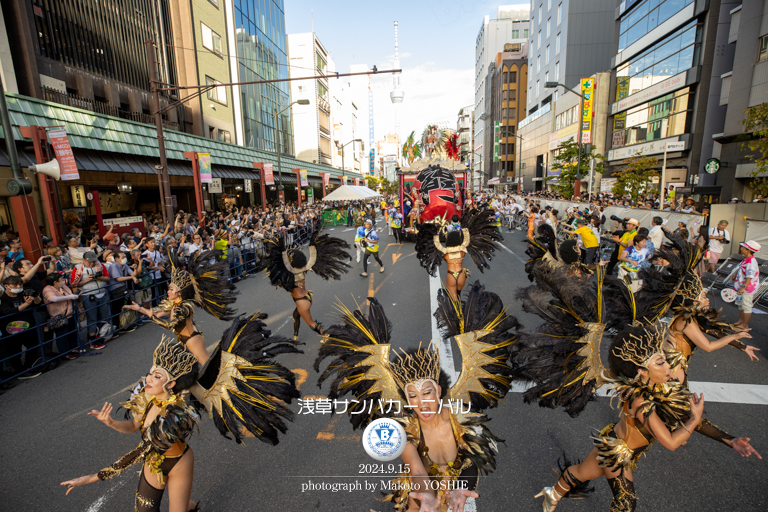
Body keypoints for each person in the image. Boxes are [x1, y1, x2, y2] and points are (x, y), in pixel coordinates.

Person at [315, 285, 519, 512]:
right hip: (420, 501)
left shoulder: (460, 418)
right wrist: (427, 497)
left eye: (427, 392)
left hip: (458, 499)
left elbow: (471, 460)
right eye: (412, 395)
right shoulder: (405, 429)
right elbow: (417, 469)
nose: (421, 403)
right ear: (407, 400)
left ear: (439, 391)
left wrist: (459, 489)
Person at [60, 338, 201, 511]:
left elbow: (139, 452)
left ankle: (190, 508)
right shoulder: (148, 399)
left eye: (157, 376)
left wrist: (92, 478)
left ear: (171, 384)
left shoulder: (174, 415)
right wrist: (111, 422)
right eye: (150, 373)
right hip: (154, 463)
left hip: (179, 463)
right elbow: (134, 425)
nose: (149, 378)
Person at [123, 250, 236, 364]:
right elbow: (157, 313)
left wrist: (151, 316)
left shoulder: (183, 308)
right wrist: (140, 309)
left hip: (193, 340)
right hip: (185, 341)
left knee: (210, 369)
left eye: (171, 289)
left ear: (179, 292)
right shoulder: (174, 305)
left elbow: (169, 325)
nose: (168, 291)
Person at [263, 233, 351, 340]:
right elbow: (308, 262)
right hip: (308, 296)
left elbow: (283, 274)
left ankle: (327, 335)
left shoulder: (290, 275)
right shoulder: (302, 270)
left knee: (311, 323)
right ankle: (295, 336)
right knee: (296, 315)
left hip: (302, 302)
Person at [414, 209, 503, 301]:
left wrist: (435, 234)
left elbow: (437, 246)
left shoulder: (445, 253)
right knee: (458, 296)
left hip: (451, 275)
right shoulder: (462, 252)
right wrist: (465, 231)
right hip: (461, 275)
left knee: (454, 301)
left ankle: (456, 313)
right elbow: (466, 242)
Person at [0, 275, 43, 378]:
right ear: (6, 286)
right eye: (15, 285)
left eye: (20, 284)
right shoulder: (3, 299)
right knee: (15, 351)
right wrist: (26, 304)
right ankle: (20, 372)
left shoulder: (22, 294)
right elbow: (10, 311)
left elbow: (37, 304)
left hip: (28, 325)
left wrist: (36, 297)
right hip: (11, 329)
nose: (18, 286)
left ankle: (28, 365)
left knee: (34, 344)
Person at [70, 251, 112, 349]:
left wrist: (99, 277)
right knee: (92, 317)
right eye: (90, 262)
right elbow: (73, 284)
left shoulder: (101, 265)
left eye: (94, 261)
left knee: (105, 315)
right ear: (84, 260)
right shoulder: (77, 269)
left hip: (102, 293)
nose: (92, 263)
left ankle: (105, 334)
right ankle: (92, 339)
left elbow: (107, 278)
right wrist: (87, 280)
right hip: (88, 295)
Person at [42, 273, 80, 361]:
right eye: (61, 280)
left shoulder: (64, 287)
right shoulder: (47, 289)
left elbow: (70, 294)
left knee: (72, 332)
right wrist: (70, 297)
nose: (63, 281)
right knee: (62, 336)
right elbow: (53, 299)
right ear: (55, 282)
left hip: (70, 313)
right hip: (59, 316)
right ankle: (64, 353)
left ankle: (73, 348)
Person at [730, 240, 761, 332]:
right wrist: (736, 274)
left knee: (746, 305)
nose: (741, 249)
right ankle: (740, 321)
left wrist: (744, 287)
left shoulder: (751, 261)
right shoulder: (746, 259)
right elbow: (742, 269)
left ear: (748, 250)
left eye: (743, 248)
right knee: (740, 304)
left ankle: (745, 325)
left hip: (747, 288)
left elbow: (749, 276)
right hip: (741, 285)